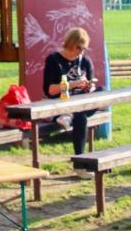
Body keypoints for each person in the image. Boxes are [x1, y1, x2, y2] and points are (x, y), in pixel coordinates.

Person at [42, 27, 99, 159]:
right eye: (79, 48)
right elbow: (50, 90)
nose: (81, 52)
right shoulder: (54, 60)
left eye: (84, 48)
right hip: (61, 103)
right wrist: (73, 84)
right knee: (81, 117)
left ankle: (70, 115)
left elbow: (92, 85)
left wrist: (89, 87)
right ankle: (80, 160)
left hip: (81, 103)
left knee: (103, 91)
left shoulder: (85, 61)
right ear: (71, 44)